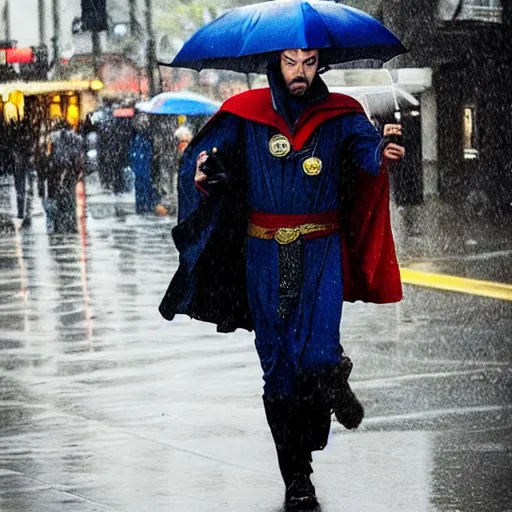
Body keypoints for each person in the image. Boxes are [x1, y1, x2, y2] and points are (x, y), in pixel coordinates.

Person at [160, 49, 405, 510]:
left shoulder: (341, 114)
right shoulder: (244, 113)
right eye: (291, 61)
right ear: (276, 63)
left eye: (310, 61)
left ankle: (333, 377)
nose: (300, 72)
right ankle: (297, 478)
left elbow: (363, 149)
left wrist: (380, 148)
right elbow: (209, 162)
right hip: (263, 253)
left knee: (316, 352)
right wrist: (204, 174)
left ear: (321, 64)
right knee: (279, 372)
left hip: (322, 247)